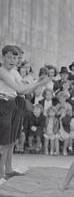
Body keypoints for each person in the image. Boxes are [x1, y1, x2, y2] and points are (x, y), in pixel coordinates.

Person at [0, 45, 49, 184]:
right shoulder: (2, 72)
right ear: (2, 58)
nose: (13, 60)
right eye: (10, 57)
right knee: (3, 141)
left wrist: (38, 82)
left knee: (10, 140)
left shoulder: (13, 71)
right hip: (4, 103)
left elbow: (23, 87)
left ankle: (7, 170)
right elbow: (21, 90)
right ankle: (2, 172)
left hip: (12, 103)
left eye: (16, 58)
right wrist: (38, 83)